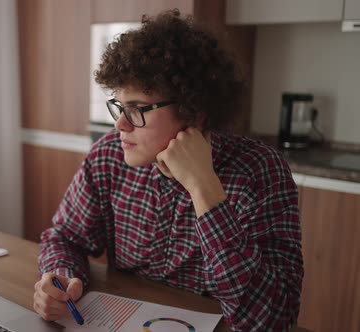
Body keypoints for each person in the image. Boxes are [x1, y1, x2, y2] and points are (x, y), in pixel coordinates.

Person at [33, 9, 303, 332]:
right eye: (120, 107)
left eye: (136, 109)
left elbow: (274, 321)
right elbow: (65, 237)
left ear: (194, 111)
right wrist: (62, 278)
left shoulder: (261, 172)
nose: (119, 124)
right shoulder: (108, 156)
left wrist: (204, 189)